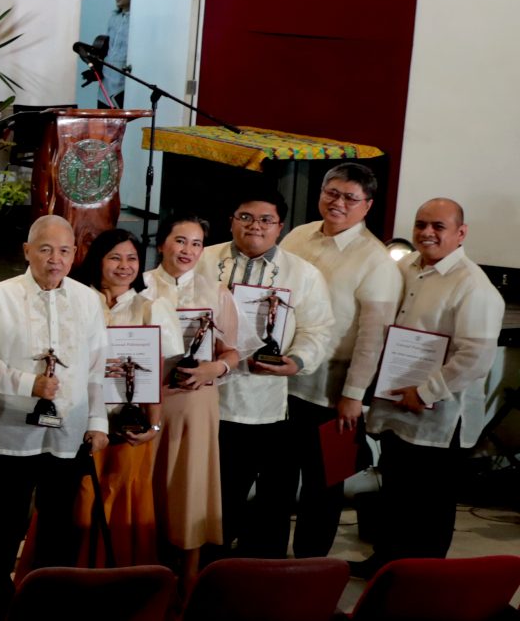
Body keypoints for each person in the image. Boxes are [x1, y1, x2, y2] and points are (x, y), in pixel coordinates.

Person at [340, 198, 504, 573]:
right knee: (397, 490)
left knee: (430, 503)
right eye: (420, 224)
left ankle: (421, 579)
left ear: (461, 233)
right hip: (397, 402)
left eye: (438, 226)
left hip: (438, 415)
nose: (426, 233)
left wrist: (425, 392)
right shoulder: (405, 268)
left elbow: (475, 358)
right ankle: (386, 563)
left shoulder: (473, 286)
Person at [0, 216, 111, 594]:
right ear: (26, 251)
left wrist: (98, 421)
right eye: (46, 249)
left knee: (60, 518)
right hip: (12, 426)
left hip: (69, 427)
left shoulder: (88, 299)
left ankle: (48, 595)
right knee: (6, 516)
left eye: (64, 251)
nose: (55, 259)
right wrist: (27, 383)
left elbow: (96, 368)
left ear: (75, 254)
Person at [200, 194, 337, 558]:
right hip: (207, 396)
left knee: (270, 500)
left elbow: (318, 330)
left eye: (265, 220)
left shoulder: (303, 274)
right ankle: (208, 565)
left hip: (267, 401)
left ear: (280, 227)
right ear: (232, 220)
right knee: (214, 493)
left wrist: (297, 361)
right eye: (245, 217)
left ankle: (259, 572)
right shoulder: (203, 259)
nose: (255, 226)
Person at [277, 164, 400, 559]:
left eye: (350, 197)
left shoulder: (376, 260)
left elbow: (373, 336)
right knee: (278, 478)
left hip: (332, 393)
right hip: (282, 381)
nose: (338, 203)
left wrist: (353, 395)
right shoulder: (298, 236)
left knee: (324, 486)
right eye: (332, 193)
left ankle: (309, 569)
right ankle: (266, 560)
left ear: (367, 205)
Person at [51, 228, 166, 571]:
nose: (124, 266)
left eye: (132, 258)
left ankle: (117, 580)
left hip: (126, 425)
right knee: (74, 500)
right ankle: (66, 577)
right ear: (97, 260)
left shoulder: (151, 307)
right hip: (75, 418)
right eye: (114, 257)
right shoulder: (73, 300)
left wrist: (154, 426)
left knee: (122, 496)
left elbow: (155, 373)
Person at [138, 213, 239, 581]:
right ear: (162, 243)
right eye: (180, 240)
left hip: (196, 403)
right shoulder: (140, 285)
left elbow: (232, 352)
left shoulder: (217, 293)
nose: (188, 250)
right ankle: (143, 573)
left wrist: (214, 369)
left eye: (197, 243)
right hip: (148, 400)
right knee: (145, 485)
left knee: (190, 486)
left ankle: (189, 580)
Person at [85, 0, 130, 107]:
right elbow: (108, 50)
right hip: (106, 80)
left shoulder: (136, 19)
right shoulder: (114, 17)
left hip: (123, 82)